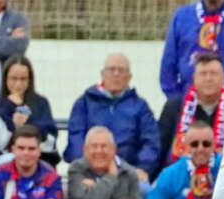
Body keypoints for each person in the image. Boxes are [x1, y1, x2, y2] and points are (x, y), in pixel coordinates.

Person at [65, 54, 159, 182]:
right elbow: (75, 139)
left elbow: (151, 142)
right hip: (90, 172)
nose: (116, 74)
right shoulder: (84, 103)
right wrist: (85, 168)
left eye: (121, 70)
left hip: (129, 172)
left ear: (129, 77)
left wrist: (142, 168)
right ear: (102, 74)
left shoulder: (140, 106)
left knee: (145, 192)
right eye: (112, 69)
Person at [157, 52, 224, 171]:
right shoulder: (174, 107)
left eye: (213, 74)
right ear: (194, 78)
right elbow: (161, 147)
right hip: (180, 177)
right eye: (203, 74)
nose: (208, 78)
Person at [67, 126, 144, 199]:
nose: (99, 151)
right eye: (94, 146)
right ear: (85, 149)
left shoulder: (129, 173)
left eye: (103, 146)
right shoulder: (76, 170)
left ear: (114, 149)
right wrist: (111, 177)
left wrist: (95, 192)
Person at [0, 55, 58, 160]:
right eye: (13, 79)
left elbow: (50, 139)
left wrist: (28, 121)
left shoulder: (41, 102)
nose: (18, 84)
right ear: (5, 79)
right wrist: (12, 120)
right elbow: (0, 144)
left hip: (41, 159)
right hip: (9, 160)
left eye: (23, 79)